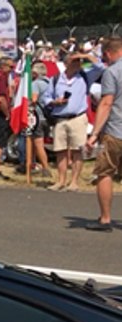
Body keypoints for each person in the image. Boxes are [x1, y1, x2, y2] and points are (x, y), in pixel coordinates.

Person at [86, 37, 122, 231]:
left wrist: (94, 133)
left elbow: (107, 102)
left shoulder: (112, 71)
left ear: (108, 53)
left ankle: (105, 218)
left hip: (116, 130)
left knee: (105, 172)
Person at [46, 54, 90, 191]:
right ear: (66, 64)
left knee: (78, 150)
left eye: (79, 61)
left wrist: (84, 55)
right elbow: (46, 98)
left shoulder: (83, 76)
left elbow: (99, 66)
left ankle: (74, 182)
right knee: (60, 151)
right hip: (60, 118)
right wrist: (55, 102)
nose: (77, 63)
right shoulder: (55, 79)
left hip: (77, 117)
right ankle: (61, 181)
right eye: (74, 61)